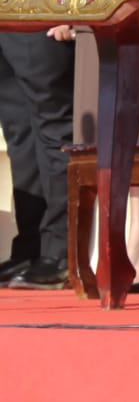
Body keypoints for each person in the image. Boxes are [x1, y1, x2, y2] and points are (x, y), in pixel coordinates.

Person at [0, 25, 76, 290]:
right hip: (6, 6)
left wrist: (70, 10)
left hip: (41, 3)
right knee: (19, 132)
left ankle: (60, 251)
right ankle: (30, 248)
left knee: (54, 127)